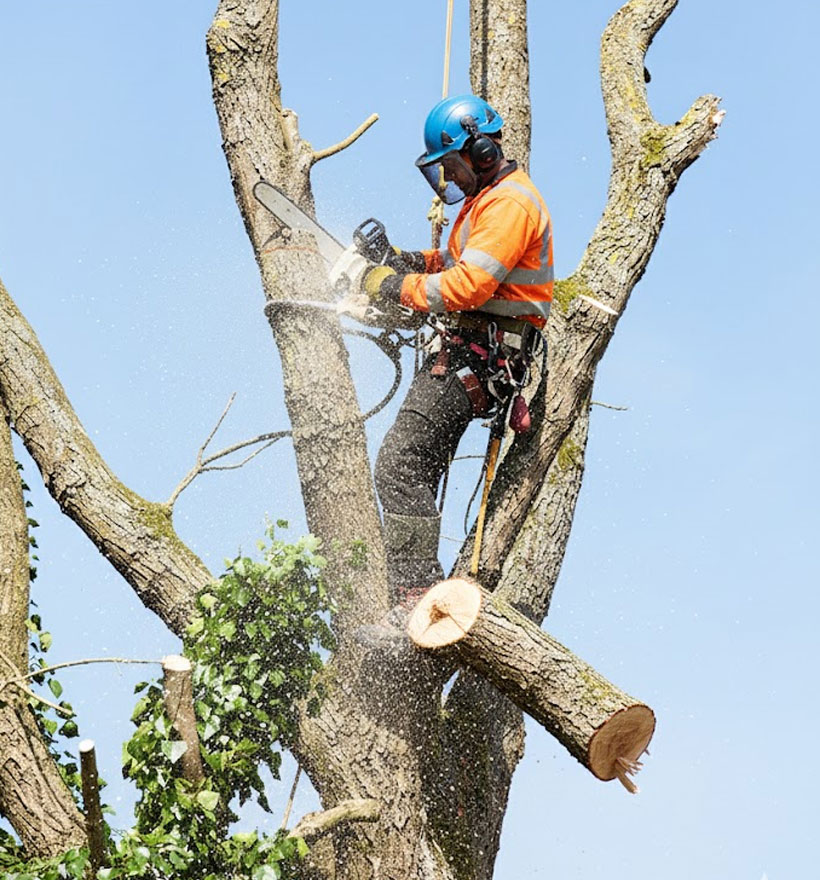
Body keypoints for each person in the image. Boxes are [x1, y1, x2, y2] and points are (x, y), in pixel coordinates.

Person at [356, 94, 554, 639]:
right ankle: (419, 598)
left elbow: (470, 285)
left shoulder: (511, 203)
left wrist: (392, 287)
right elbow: (453, 263)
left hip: (481, 356)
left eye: (452, 165)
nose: (448, 177)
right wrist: (404, 262)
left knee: (401, 464)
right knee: (409, 468)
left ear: (482, 151)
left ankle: (419, 602)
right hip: (468, 352)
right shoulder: (485, 203)